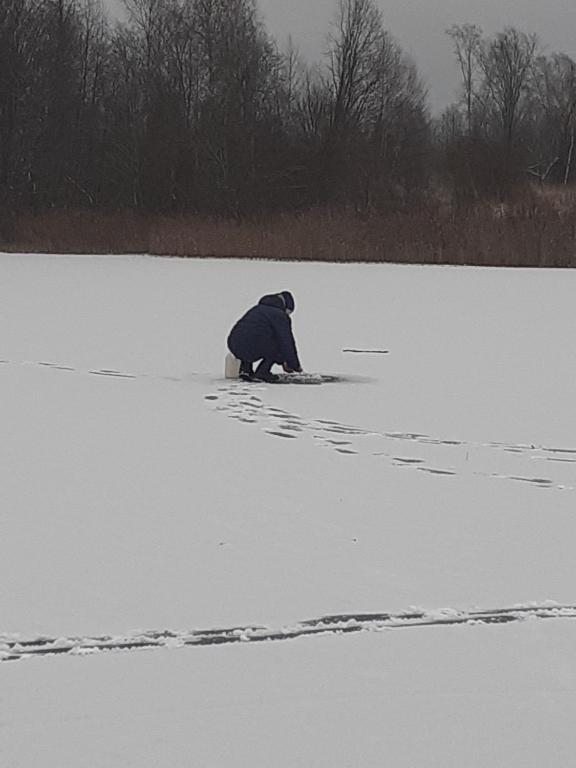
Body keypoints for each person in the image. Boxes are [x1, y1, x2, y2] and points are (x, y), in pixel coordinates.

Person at [227, 291, 303, 382]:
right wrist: (293, 364)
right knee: (277, 344)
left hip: (233, 343)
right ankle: (262, 372)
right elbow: (287, 342)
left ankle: (245, 370)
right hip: (253, 345)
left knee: (254, 336)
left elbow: (247, 333)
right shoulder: (280, 315)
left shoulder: (257, 309)